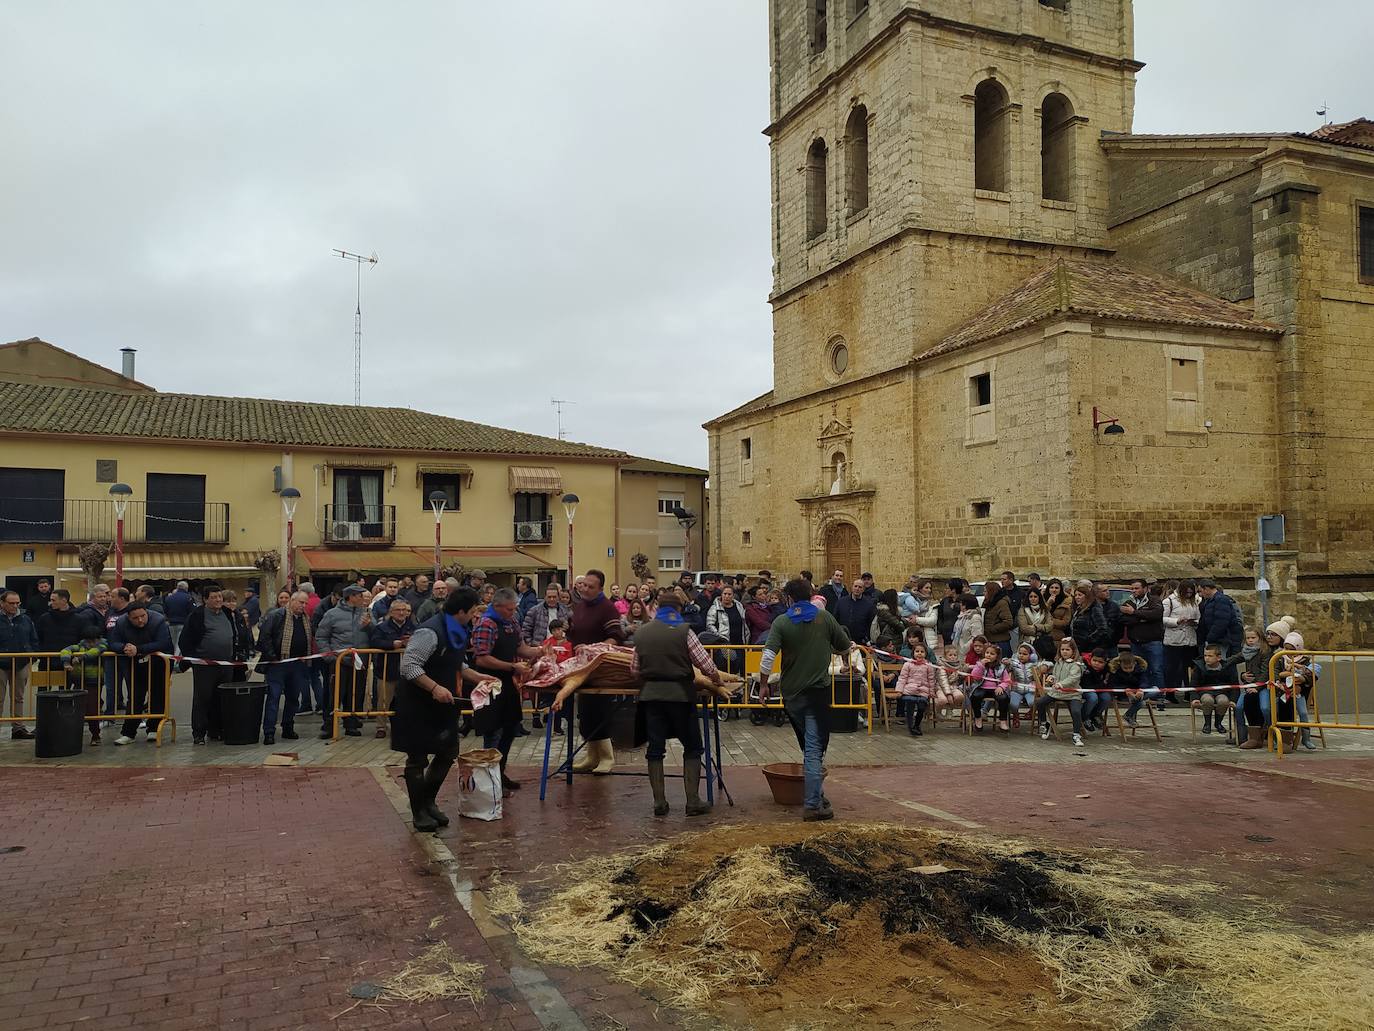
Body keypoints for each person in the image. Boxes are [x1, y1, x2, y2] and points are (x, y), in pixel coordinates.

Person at [607, 590, 726, 817]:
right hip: (681, 696)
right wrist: (717, 681)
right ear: (678, 609)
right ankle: (692, 801)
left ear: (658, 608)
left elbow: (634, 670)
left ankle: (659, 803)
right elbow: (705, 663)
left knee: (655, 749)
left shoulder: (642, 633)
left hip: (651, 697)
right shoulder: (684, 631)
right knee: (692, 746)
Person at [394, 587, 500, 832]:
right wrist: (433, 688)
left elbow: (457, 663)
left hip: (445, 703)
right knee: (417, 758)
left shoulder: (458, 630)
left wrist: (478, 676)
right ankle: (418, 811)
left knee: (447, 753)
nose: (476, 616)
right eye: (473, 611)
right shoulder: (429, 631)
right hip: (418, 704)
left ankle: (429, 801)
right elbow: (408, 666)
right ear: (461, 611)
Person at [759, 579, 853, 821]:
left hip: (791, 696)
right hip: (816, 694)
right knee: (814, 749)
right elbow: (844, 646)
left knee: (809, 745)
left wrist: (762, 685)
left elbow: (768, 656)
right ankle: (812, 803)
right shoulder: (825, 619)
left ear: (789, 598)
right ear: (811, 595)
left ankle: (817, 795)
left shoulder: (781, 622)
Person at [472, 587, 545, 791]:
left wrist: (539, 651)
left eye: (514, 609)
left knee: (511, 728)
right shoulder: (486, 624)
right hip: (489, 683)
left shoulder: (511, 622)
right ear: (496, 606)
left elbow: (520, 648)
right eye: (509, 610)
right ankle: (488, 781)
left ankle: (499, 772)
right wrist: (512, 666)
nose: (513, 613)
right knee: (493, 731)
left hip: (509, 684)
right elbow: (482, 658)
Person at [568, 569, 627, 775]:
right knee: (585, 711)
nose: (585, 589)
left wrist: (595, 650)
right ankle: (592, 756)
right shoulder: (579, 606)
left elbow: (615, 637)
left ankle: (607, 757)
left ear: (600, 588)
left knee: (599, 710)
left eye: (590, 587)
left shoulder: (608, 608)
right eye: (583, 585)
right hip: (581, 666)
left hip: (601, 668)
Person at [178, 584, 245, 745]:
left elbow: (237, 633)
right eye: (214, 597)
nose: (218, 600)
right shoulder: (197, 615)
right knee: (203, 699)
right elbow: (185, 640)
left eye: (220, 597)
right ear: (205, 599)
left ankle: (216, 730)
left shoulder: (229, 613)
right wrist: (194, 659)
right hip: (204, 665)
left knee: (221, 699)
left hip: (226, 664)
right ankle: (199, 733)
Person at [108, 603, 173, 745]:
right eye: (135, 618)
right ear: (128, 617)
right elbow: (113, 642)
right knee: (135, 696)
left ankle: (154, 729)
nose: (140, 620)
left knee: (157, 695)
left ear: (147, 612)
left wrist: (139, 649)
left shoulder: (158, 620)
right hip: (134, 664)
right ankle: (128, 733)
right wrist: (124, 647)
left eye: (143, 616)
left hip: (159, 662)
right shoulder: (121, 622)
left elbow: (163, 642)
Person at [314, 585, 373, 738]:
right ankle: (329, 725)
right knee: (335, 694)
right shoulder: (332, 614)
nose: (363, 599)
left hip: (360, 661)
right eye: (360, 596)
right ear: (351, 597)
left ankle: (351, 724)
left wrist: (369, 626)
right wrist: (329, 656)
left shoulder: (366, 613)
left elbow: (375, 634)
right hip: (339, 661)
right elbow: (321, 636)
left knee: (355, 693)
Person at [256, 590, 312, 745]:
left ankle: (288, 726)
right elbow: (264, 637)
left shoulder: (305, 619)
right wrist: (273, 657)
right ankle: (269, 732)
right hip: (278, 664)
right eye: (301, 602)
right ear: (292, 601)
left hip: (298, 664)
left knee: (293, 698)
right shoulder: (277, 615)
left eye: (306, 603)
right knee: (273, 698)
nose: (304, 606)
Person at [59, 618, 107, 745]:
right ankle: (73, 735)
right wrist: (66, 662)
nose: (91, 643)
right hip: (79, 681)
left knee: (92, 709)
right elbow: (65, 650)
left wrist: (80, 658)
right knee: (77, 709)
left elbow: (96, 652)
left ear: (99, 638)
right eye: (88, 640)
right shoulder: (79, 646)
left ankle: (95, 735)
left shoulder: (103, 645)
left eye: (94, 640)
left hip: (94, 682)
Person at [0, 590, 39, 739]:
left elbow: (33, 638)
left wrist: (32, 656)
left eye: (18, 603)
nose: (15, 606)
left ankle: (18, 727)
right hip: (1, 663)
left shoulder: (25, 619)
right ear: (2, 603)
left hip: (21, 663)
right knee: (0, 697)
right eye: (11, 603)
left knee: (19, 697)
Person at [1036, 637, 1087, 747]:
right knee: (1040, 702)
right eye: (1062, 649)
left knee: (1076, 711)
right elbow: (1056, 675)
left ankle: (1076, 734)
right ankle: (1045, 724)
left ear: (1073, 651)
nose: (1064, 652)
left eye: (1067, 650)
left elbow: (1073, 678)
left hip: (1072, 694)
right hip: (1057, 693)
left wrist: (1061, 684)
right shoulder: (1058, 662)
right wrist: (1052, 679)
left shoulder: (1076, 664)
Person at [1118, 580, 1165, 697]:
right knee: (1140, 669)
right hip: (1136, 643)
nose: (1134, 591)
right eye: (1132, 588)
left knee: (1156, 669)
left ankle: (1160, 697)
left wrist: (1134, 612)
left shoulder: (1154, 600)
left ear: (1145, 588)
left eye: (1137, 588)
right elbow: (1124, 620)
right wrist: (1142, 618)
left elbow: (1156, 615)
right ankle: (1143, 694)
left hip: (1153, 641)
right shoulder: (1129, 602)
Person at [1235, 625, 1273, 749]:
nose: (1250, 640)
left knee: (1265, 708)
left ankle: (1267, 731)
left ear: (1260, 638)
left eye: (1253, 637)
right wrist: (1243, 676)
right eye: (1248, 638)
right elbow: (1234, 659)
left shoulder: (1265, 652)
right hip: (1248, 685)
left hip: (1262, 686)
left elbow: (1265, 672)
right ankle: (1243, 737)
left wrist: (1257, 687)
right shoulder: (1246, 651)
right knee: (1239, 707)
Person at [1162, 580, 1201, 700]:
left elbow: (1199, 617)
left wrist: (1194, 622)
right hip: (1174, 640)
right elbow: (1162, 618)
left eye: (1191, 593)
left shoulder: (1195, 601)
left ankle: (1188, 693)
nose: (1189, 595)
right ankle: (1170, 694)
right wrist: (1176, 621)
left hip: (1190, 639)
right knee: (1172, 669)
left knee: (1189, 668)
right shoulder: (1169, 601)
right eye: (1187, 592)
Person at [1192, 644, 1241, 737]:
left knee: (1223, 701)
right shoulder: (1199, 667)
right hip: (1205, 692)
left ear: (1218, 657)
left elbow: (1235, 686)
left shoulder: (1228, 667)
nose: (1207, 658)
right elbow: (1193, 685)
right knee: (1207, 700)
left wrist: (1233, 700)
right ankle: (1207, 724)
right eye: (1205, 655)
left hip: (1222, 692)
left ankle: (1218, 723)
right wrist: (1194, 698)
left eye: (1210, 656)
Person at [893, 641, 937, 736]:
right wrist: (899, 690)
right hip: (909, 690)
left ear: (925, 654)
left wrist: (932, 691)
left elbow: (931, 679)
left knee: (922, 707)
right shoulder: (907, 664)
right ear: (913, 653)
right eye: (917, 651)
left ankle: (917, 724)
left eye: (922, 652)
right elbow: (902, 678)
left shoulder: (928, 666)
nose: (919, 653)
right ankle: (911, 727)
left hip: (923, 691)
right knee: (910, 707)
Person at [967, 644, 1012, 733]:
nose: (988, 655)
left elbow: (1007, 680)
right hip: (981, 687)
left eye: (992, 654)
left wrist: (1001, 686)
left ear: (997, 656)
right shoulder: (980, 664)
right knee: (975, 696)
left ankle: (1003, 721)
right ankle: (978, 718)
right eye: (987, 653)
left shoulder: (1001, 667)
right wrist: (980, 665)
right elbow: (975, 677)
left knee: (1004, 698)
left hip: (996, 688)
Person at [705, 586, 749, 675]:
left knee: (741, 666)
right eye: (725, 594)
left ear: (733, 595)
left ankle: (742, 686)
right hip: (724, 644)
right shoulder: (714, 608)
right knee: (728, 666)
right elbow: (710, 625)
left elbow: (744, 622)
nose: (727, 596)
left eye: (729, 594)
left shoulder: (739, 606)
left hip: (740, 643)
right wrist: (719, 638)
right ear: (721, 595)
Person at [1197, 579, 1244, 658]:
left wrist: (1211, 637)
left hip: (1221, 639)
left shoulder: (1221, 600)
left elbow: (1221, 622)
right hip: (1216, 638)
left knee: (1221, 662)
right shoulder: (1210, 601)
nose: (1200, 594)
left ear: (1207, 589)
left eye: (1201, 591)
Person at [1107, 644, 1152, 726]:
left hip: (1138, 692)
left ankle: (1135, 701)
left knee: (1155, 689)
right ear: (1120, 664)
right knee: (1141, 703)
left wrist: (1141, 689)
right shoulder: (1115, 672)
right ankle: (1129, 714)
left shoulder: (1140, 669)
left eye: (1130, 667)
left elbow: (1145, 681)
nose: (1128, 670)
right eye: (1125, 668)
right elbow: (1112, 686)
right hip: (1124, 695)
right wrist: (1125, 690)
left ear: (1135, 663)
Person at [1068, 581, 1112, 654]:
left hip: (1089, 647)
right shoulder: (1078, 609)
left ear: (1086, 596)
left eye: (1080, 595)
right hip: (1078, 646)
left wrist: (1088, 640)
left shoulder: (1094, 608)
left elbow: (1102, 628)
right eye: (1075, 595)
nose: (1077, 597)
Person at [834, 578, 876, 647]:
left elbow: (871, 623)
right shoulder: (841, 602)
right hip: (843, 639)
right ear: (852, 587)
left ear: (863, 589)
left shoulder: (869, 604)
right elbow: (835, 619)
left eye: (860, 587)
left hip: (861, 642)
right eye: (855, 586)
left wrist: (867, 638)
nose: (857, 589)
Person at [1079, 648, 1113, 732]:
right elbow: (1086, 685)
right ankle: (1084, 717)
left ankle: (1095, 715)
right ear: (1091, 659)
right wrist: (1102, 685)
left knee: (1107, 698)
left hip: (1099, 689)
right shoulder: (1084, 666)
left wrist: (1102, 685)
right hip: (1084, 689)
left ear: (1105, 663)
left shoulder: (1109, 669)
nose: (1096, 663)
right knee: (1093, 697)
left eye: (1100, 662)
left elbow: (1109, 684)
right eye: (1094, 660)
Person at [1007, 643, 1043, 717]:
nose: (1021, 655)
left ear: (1032, 656)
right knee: (1013, 705)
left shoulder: (1034, 664)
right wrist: (1005, 662)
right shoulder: (1014, 664)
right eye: (1019, 653)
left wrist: (1045, 666)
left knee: (1033, 703)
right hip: (1016, 689)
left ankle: (1031, 712)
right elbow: (1004, 665)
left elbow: (1049, 663)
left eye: (1025, 654)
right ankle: (1015, 715)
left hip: (1030, 690)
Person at [1017, 588, 1054, 660]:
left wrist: (1036, 627)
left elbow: (1050, 626)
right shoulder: (1023, 610)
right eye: (1031, 597)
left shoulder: (1045, 610)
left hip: (1042, 643)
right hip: (1026, 643)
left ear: (1039, 598)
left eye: (1035, 596)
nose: (1033, 599)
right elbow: (1024, 628)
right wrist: (1042, 629)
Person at [981, 579, 1014, 658]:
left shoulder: (1002, 603)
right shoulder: (987, 602)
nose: (983, 593)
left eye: (985, 591)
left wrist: (993, 629)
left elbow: (1008, 621)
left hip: (1000, 641)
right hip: (990, 640)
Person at [162, 580, 194, 649]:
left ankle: (174, 657)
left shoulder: (168, 598)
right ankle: (178, 659)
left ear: (177, 587)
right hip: (184, 624)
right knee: (181, 644)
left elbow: (165, 610)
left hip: (171, 624)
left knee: (173, 643)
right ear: (186, 588)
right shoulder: (189, 598)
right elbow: (192, 612)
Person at [1045, 579, 1072, 647]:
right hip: (1043, 635)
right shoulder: (1042, 599)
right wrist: (1048, 604)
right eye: (1052, 587)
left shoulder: (1066, 602)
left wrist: (1049, 620)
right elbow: (1040, 615)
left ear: (1060, 589)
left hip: (1058, 637)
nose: (1054, 590)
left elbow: (1065, 622)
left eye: (1056, 588)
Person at [936, 579, 964, 645]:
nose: (945, 590)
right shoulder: (944, 601)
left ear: (953, 590)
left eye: (947, 588)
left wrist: (956, 606)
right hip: (947, 634)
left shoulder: (964, 600)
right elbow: (940, 617)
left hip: (960, 634)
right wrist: (940, 630)